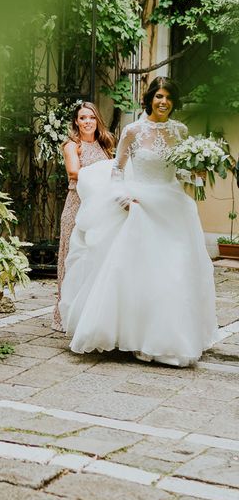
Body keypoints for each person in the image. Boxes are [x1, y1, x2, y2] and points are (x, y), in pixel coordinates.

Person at [59, 77, 218, 367]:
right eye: (159, 96)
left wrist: (197, 176)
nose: (163, 102)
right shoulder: (132, 131)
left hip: (173, 208)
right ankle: (138, 338)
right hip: (141, 207)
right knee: (141, 273)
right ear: (150, 99)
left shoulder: (180, 131)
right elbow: (117, 171)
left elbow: (181, 171)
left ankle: (170, 339)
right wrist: (124, 200)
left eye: (168, 97)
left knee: (175, 272)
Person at [52, 101, 115, 332]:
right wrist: (104, 173)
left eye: (91, 117)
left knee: (93, 259)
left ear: (97, 120)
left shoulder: (104, 146)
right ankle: (64, 315)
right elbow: (73, 172)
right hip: (76, 206)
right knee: (71, 259)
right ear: (76, 122)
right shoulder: (72, 145)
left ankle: (87, 314)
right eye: (82, 118)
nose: (87, 122)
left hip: (100, 208)